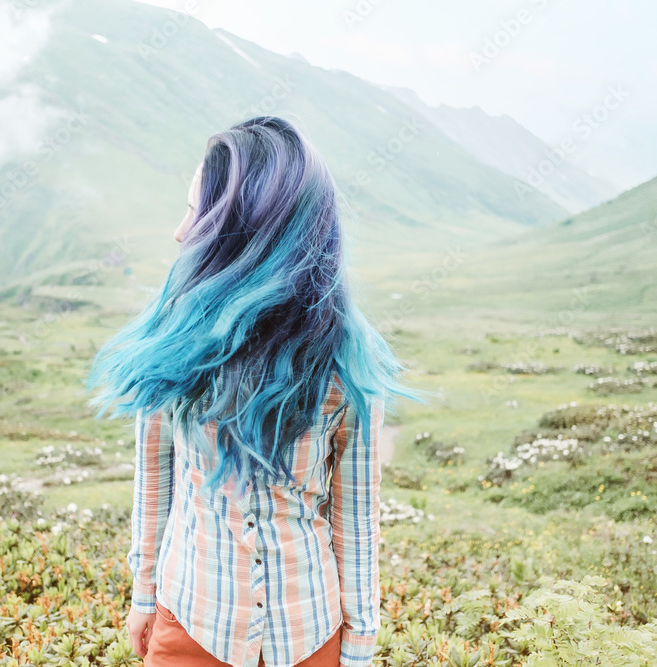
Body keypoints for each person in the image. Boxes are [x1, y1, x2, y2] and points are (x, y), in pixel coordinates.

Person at [85, 116, 421, 667]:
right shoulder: (174, 341)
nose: (180, 231)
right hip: (188, 624)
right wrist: (143, 595)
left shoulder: (345, 363)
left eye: (196, 211)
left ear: (245, 231)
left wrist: (358, 648)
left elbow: (355, 516)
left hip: (309, 637)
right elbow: (155, 478)